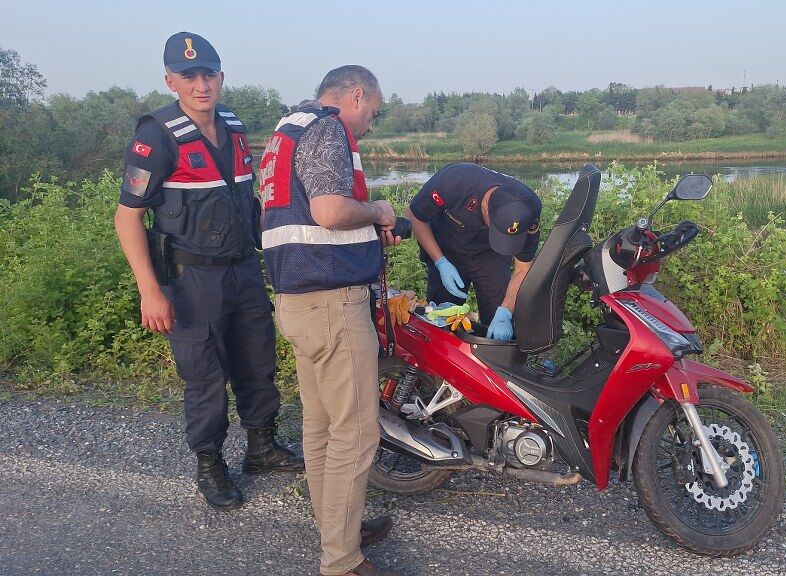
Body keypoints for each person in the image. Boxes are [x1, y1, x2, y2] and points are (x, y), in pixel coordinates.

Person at [113, 32, 302, 511]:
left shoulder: (234, 127)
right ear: (170, 81)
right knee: (204, 374)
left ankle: (261, 447)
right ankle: (210, 462)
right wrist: (149, 291)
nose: (201, 85)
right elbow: (127, 217)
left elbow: (250, 204)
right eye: (189, 76)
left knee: (257, 360)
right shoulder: (155, 135)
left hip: (243, 270)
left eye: (209, 74)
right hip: (191, 279)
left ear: (221, 76)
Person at [258, 65, 403, 576]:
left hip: (297, 302)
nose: (370, 125)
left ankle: (336, 527)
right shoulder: (327, 128)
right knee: (356, 435)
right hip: (332, 305)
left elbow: (303, 215)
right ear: (355, 95)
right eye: (373, 113)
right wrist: (378, 212)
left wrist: (366, 231)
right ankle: (341, 560)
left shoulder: (288, 129)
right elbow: (329, 211)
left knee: (320, 428)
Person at [406, 163, 542, 340]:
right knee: (442, 318)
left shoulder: (529, 209)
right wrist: (440, 261)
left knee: (497, 317)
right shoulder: (454, 182)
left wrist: (506, 311)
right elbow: (415, 216)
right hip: (446, 249)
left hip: (491, 255)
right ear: (485, 207)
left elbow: (523, 269)